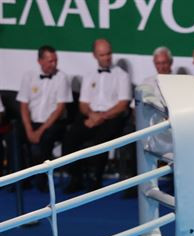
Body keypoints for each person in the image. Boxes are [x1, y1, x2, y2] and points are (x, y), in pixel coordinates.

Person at [62, 38, 131, 193]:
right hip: (91, 116)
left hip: (112, 117)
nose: (107, 58)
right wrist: (92, 115)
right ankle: (76, 177)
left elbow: (122, 104)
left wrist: (102, 117)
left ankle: (96, 179)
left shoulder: (122, 75)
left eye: (109, 54)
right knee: (71, 137)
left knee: (101, 142)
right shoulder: (89, 75)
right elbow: (83, 104)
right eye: (102, 55)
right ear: (95, 56)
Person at [16, 45, 72, 189]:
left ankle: (43, 179)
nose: (54, 64)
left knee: (46, 137)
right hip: (32, 122)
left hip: (52, 122)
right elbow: (23, 105)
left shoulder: (62, 77)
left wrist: (39, 131)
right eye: (50, 61)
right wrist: (29, 129)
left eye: (55, 61)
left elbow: (59, 109)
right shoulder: (29, 76)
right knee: (15, 136)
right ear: (40, 61)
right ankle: (20, 178)